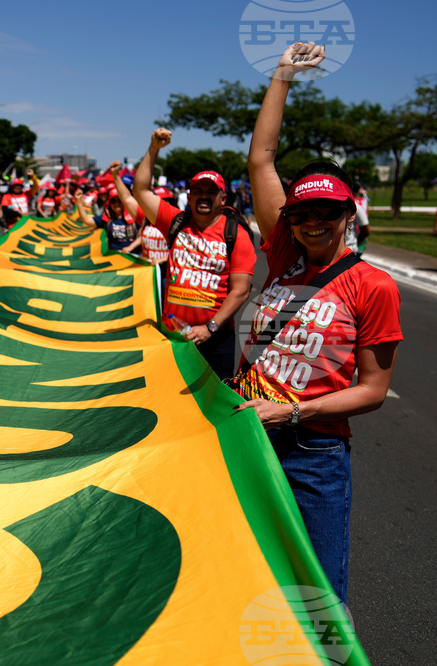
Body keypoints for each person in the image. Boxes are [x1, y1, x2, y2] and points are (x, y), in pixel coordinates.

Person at [233, 42, 402, 603]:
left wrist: (292, 410)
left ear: (347, 214)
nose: (310, 223)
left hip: (314, 455)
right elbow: (261, 159)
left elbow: (374, 391)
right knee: (247, 578)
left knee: (317, 596)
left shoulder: (372, 285)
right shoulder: (282, 258)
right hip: (248, 438)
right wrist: (282, 76)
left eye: (324, 212)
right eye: (300, 214)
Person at [132, 128, 256, 380]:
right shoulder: (175, 222)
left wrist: (209, 328)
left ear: (223, 197)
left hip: (215, 338)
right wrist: (154, 148)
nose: (204, 196)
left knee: (211, 408)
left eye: (211, 192)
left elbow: (240, 290)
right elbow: (141, 190)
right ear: (188, 196)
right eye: (198, 191)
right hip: (172, 335)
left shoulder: (235, 232)